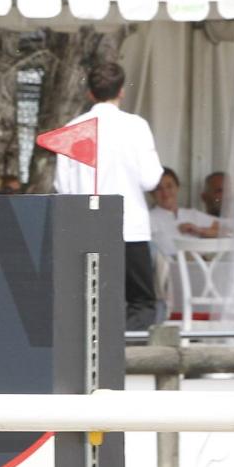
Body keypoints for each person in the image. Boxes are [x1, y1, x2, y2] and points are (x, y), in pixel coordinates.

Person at [55, 63, 164, 331]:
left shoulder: (72, 129)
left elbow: (63, 187)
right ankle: (130, 358)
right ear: (121, 92)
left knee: (90, 301)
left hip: (86, 228)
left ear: (90, 93)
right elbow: (151, 180)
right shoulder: (136, 126)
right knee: (140, 302)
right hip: (130, 227)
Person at [149, 168, 218, 242]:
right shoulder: (149, 219)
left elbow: (226, 230)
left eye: (169, 186)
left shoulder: (192, 214)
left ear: (177, 187)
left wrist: (199, 230)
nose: (165, 193)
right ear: (152, 193)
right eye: (158, 189)